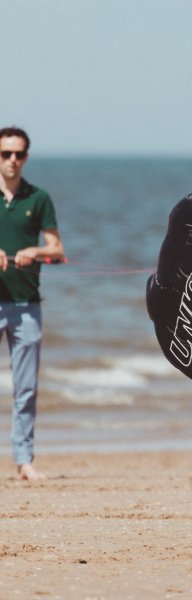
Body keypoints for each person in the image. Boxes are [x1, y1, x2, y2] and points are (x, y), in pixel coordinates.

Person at [0, 126, 64, 480]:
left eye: (18, 154)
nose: (12, 161)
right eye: (5, 154)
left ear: (25, 157)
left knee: (25, 389)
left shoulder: (38, 199)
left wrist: (34, 251)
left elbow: (57, 250)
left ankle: (24, 460)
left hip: (26, 305)